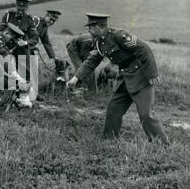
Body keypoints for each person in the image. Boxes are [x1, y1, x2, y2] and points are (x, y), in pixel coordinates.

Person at [67, 13, 168, 144]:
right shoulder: (99, 43)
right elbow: (91, 62)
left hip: (141, 75)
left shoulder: (119, 35)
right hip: (126, 77)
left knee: (145, 113)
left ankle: (162, 144)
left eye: (90, 27)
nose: (88, 30)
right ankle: (109, 139)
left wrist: (153, 75)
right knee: (114, 107)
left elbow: (144, 49)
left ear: (98, 26)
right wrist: (76, 78)